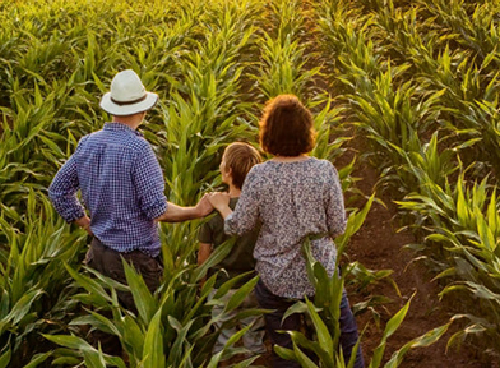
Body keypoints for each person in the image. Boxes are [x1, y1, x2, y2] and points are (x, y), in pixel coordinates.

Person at [207, 95, 365, 368]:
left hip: (275, 279)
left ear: (268, 134)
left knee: (285, 348)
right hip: (321, 277)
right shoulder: (324, 171)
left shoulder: (259, 176)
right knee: (345, 339)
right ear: (306, 131)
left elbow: (238, 226)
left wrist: (223, 207)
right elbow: (338, 226)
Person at [48, 69, 215, 309]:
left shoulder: (88, 143)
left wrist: (85, 223)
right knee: (136, 333)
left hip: (98, 254)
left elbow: (57, 190)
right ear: (142, 110)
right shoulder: (138, 151)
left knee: (103, 330)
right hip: (134, 262)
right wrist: (196, 211)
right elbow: (157, 210)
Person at [197, 142, 265, 355]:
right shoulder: (261, 208)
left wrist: (202, 286)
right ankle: (253, 359)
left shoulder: (213, 212)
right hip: (254, 284)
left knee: (223, 339)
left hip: (222, 287)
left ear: (227, 172)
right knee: (254, 334)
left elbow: (204, 258)